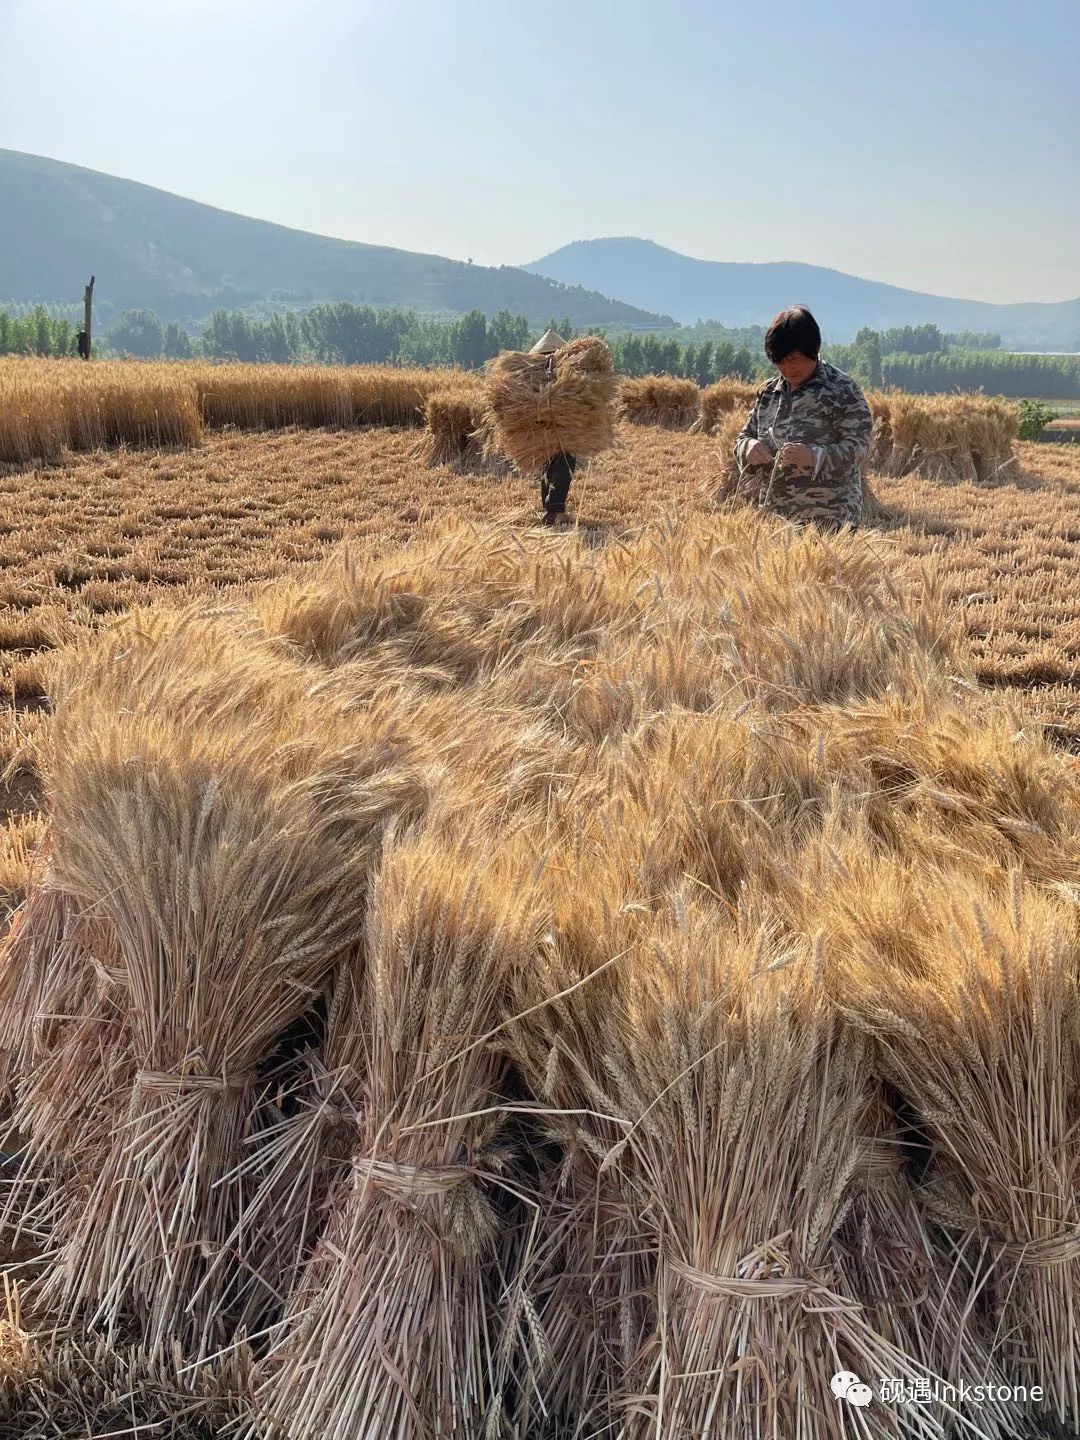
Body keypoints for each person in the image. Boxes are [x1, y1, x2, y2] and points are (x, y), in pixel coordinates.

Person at [733, 306, 872, 532]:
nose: (787, 369)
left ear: (814, 350)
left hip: (829, 522)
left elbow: (859, 448)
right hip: (774, 522)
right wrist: (747, 447)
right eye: (780, 362)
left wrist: (815, 457)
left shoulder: (842, 390)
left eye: (794, 359)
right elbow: (743, 436)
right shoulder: (769, 392)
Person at [530, 328, 577, 526]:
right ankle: (553, 510)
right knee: (562, 467)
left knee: (549, 468)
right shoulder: (562, 373)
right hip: (560, 428)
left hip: (546, 427)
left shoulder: (533, 373)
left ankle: (550, 508)